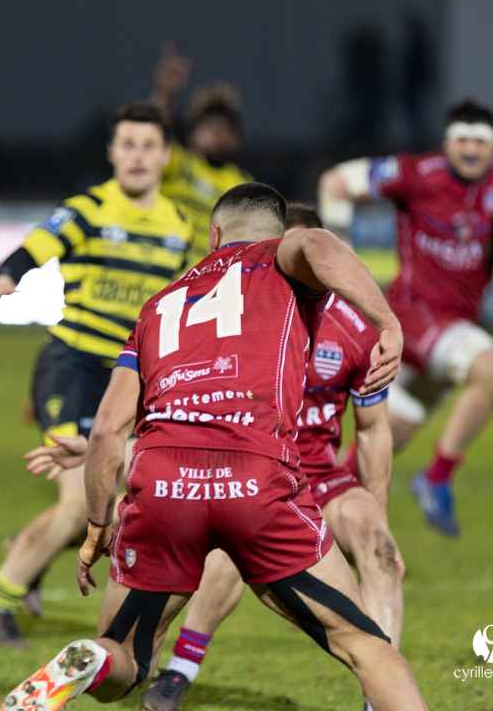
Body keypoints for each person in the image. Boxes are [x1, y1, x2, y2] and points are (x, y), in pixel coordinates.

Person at [0, 184, 428, 711]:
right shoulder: (284, 261)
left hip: (163, 487)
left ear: (213, 234)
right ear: (276, 234)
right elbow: (318, 244)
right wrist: (388, 322)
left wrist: (95, 528)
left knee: (126, 659)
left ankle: (94, 656)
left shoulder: (158, 307)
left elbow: (110, 428)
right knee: (364, 645)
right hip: (256, 479)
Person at [141, 203, 405, 711]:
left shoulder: (354, 330)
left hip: (321, 472)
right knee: (222, 553)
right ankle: (179, 670)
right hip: (253, 463)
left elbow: (372, 432)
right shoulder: (241, 310)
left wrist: (382, 517)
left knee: (379, 550)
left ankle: (381, 692)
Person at [0, 102, 193, 649]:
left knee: (131, 510)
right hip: (72, 368)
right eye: (128, 144)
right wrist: (6, 279)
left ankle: (29, 545)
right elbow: (35, 248)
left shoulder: (181, 227)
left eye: (148, 146)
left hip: (132, 380)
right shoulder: (88, 209)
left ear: (165, 157)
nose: (137, 155)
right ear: (112, 152)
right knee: (80, 508)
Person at [317, 98, 493, 537]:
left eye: (480, 141)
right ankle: (436, 478)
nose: (470, 150)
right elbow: (336, 181)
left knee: (368, 460)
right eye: (462, 140)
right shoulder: (418, 173)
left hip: (453, 329)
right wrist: (340, 254)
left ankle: (316, 523)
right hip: (413, 315)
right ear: (447, 142)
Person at [150, 42, 252, 262]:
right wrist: (166, 91)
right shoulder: (179, 163)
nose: (219, 135)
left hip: (213, 286)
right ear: (192, 134)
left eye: (226, 129)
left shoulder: (242, 185)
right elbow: (154, 135)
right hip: (167, 277)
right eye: (211, 127)